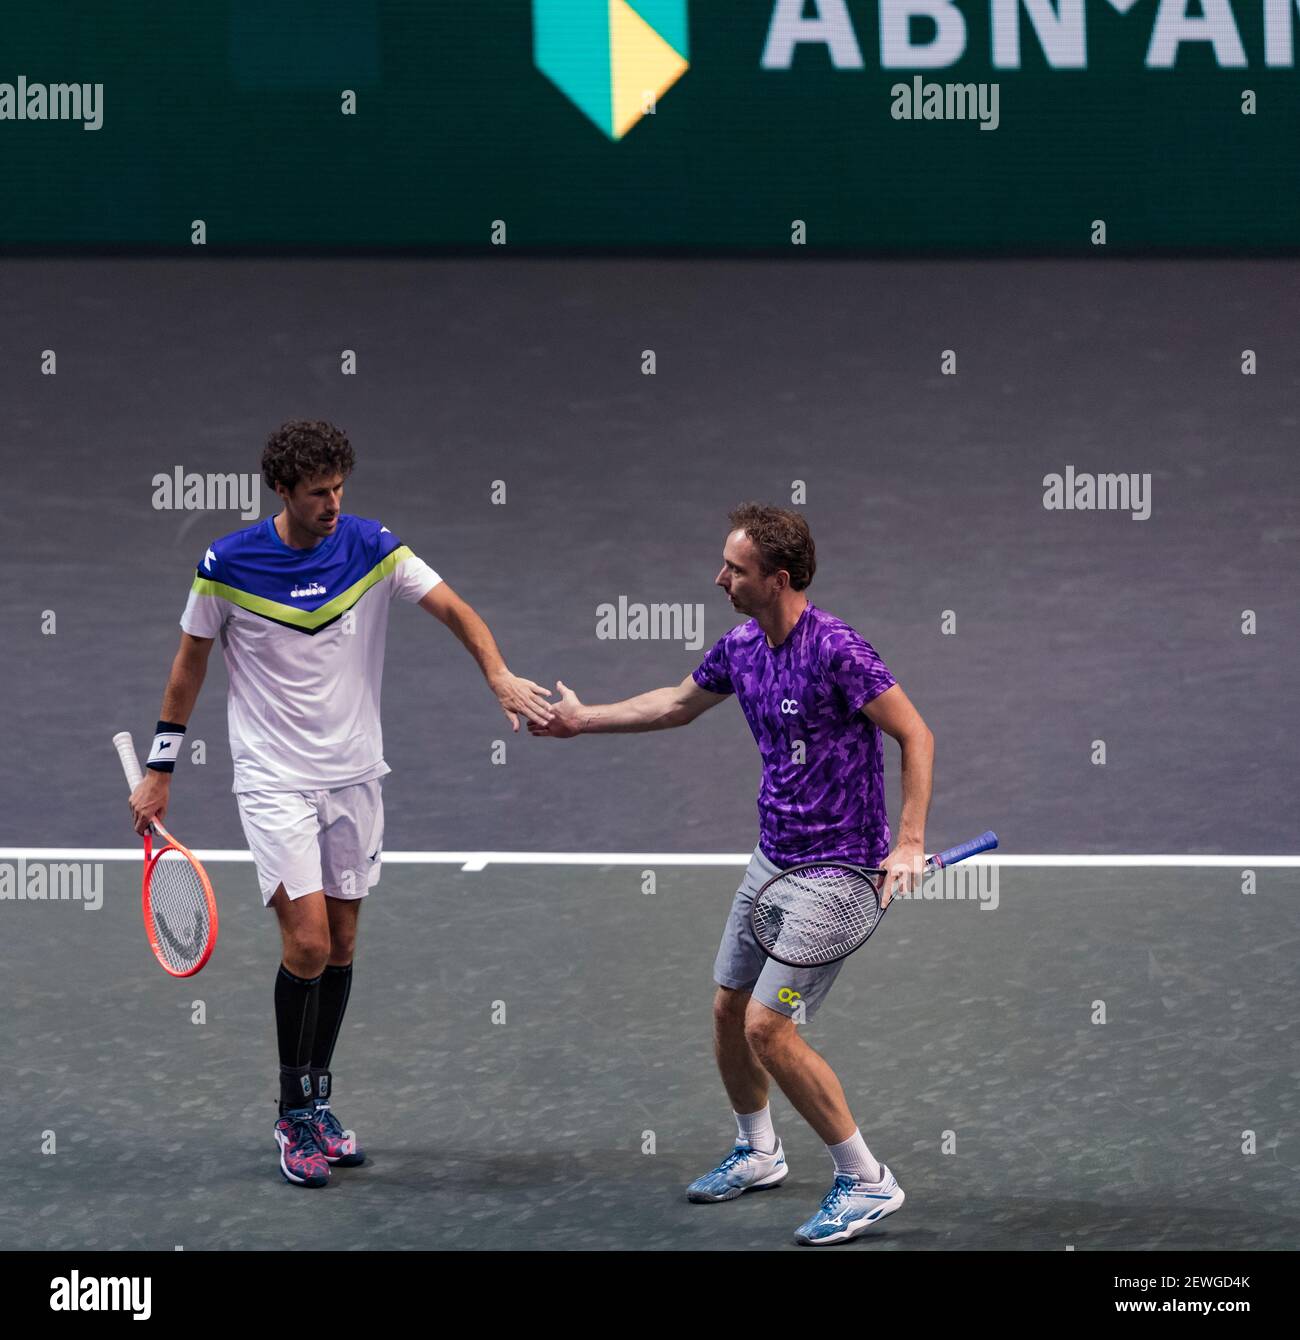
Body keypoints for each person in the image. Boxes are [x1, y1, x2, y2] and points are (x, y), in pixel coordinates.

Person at [127, 420, 554, 1188]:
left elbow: (456, 608)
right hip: (273, 778)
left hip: (355, 774)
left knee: (346, 943)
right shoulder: (226, 565)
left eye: (339, 488)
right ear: (283, 491)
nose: (333, 503)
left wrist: (496, 673)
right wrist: (162, 767)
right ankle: (292, 1115)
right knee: (310, 946)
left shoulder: (372, 545)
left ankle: (319, 1100)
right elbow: (189, 664)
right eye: (318, 491)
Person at [529, 503, 934, 1244]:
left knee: (767, 1027)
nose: (719, 578)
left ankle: (868, 1180)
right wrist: (582, 720)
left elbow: (914, 732)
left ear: (777, 579)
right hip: (772, 860)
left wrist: (908, 842)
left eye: (735, 570)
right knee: (727, 1010)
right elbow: (677, 704)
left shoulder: (838, 649)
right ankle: (759, 1151)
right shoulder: (743, 647)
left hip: (838, 876)